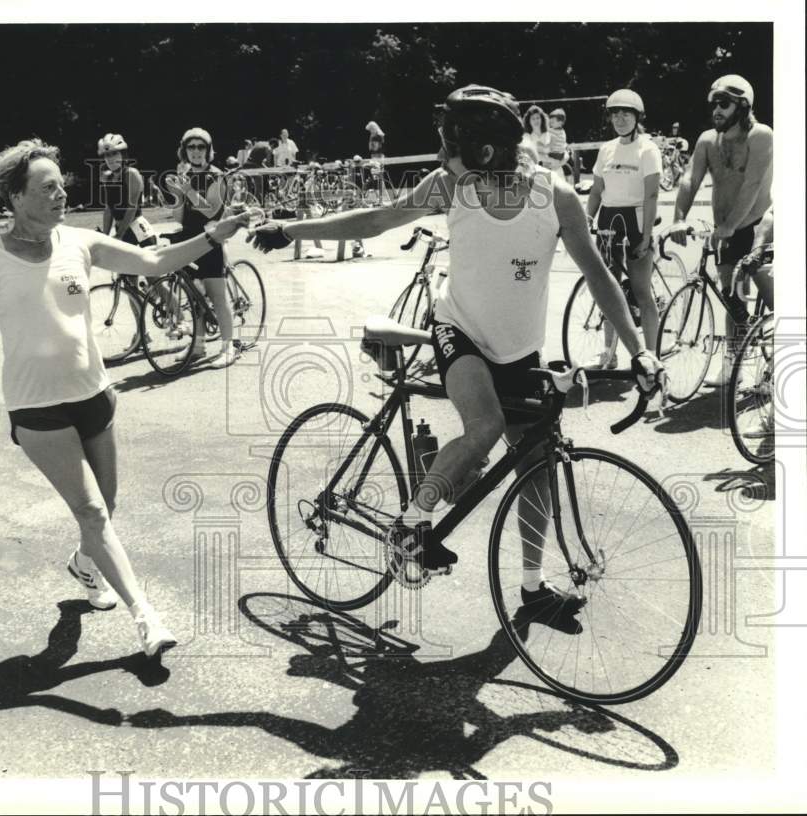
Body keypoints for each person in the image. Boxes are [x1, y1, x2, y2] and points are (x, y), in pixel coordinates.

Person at [250, 84, 662, 616]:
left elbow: (601, 277)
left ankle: (533, 587)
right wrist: (289, 228)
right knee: (485, 425)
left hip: (518, 349)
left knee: (534, 465)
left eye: (448, 145)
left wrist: (640, 351)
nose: (440, 155)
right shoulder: (450, 185)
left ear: (484, 153)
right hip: (457, 330)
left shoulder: (553, 195)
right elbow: (376, 220)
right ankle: (409, 525)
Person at [0, 138, 252, 658]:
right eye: (47, 188)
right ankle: (145, 616)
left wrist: (210, 236)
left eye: (61, 184)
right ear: (15, 198)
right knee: (91, 512)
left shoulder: (79, 243)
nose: (61, 194)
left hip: (94, 394)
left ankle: (86, 566)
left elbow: (152, 262)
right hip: (36, 406)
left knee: (106, 506)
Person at [670, 74, 773, 386]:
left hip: (758, 228)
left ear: (742, 106)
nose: (716, 109)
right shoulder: (706, 141)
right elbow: (689, 179)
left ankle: (780, 363)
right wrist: (678, 218)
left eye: (724, 103)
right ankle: (733, 363)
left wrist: (729, 226)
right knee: (732, 297)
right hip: (726, 231)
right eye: (713, 103)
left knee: (773, 296)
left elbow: (753, 186)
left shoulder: (761, 136)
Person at [584, 88, 663, 366]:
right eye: (614, 113)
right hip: (608, 220)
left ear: (636, 117)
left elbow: (651, 195)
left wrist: (647, 235)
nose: (619, 119)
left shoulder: (647, 149)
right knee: (608, 288)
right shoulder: (606, 149)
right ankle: (609, 351)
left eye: (625, 113)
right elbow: (596, 190)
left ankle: (652, 354)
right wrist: (587, 220)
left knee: (641, 292)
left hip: (636, 221)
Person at [164, 127, 240, 369]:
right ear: (184, 150)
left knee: (217, 295)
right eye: (191, 147)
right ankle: (198, 344)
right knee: (194, 295)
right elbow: (178, 217)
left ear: (208, 150)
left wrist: (187, 190)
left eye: (201, 147)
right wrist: (176, 193)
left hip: (210, 239)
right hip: (189, 238)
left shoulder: (217, 176)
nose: (196, 151)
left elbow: (212, 210)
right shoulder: (185, 175)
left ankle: (229, 347)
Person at [96, 133, 157, 249]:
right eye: (107, 155)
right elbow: (108, 209)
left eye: (114, 153)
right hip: (121, 229)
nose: (110, 158)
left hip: (138, 229)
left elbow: (131, 208)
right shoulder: (107, 178)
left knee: (151, 263)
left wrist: (119, 235)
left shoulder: (131, 174)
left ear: (123, 155)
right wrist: (105, 236)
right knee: (117, 265)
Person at [522, 105, 553, 171]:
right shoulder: (527, 136)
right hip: (535, 169)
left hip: (553, 167)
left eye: (538, 118)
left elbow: (563, 151)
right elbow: (527, 156)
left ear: (542, 119)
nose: (536, 120)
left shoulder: (550, 134)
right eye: (533, 118)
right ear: (529, 121)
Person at [547, 109, 571, 177]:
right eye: (550, 122)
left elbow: (547, 131)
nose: (550, 124)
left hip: (555, 154)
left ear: (560, 123)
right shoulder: (562, 131)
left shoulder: (555, 131)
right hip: (560, 155)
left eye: (552, 122)